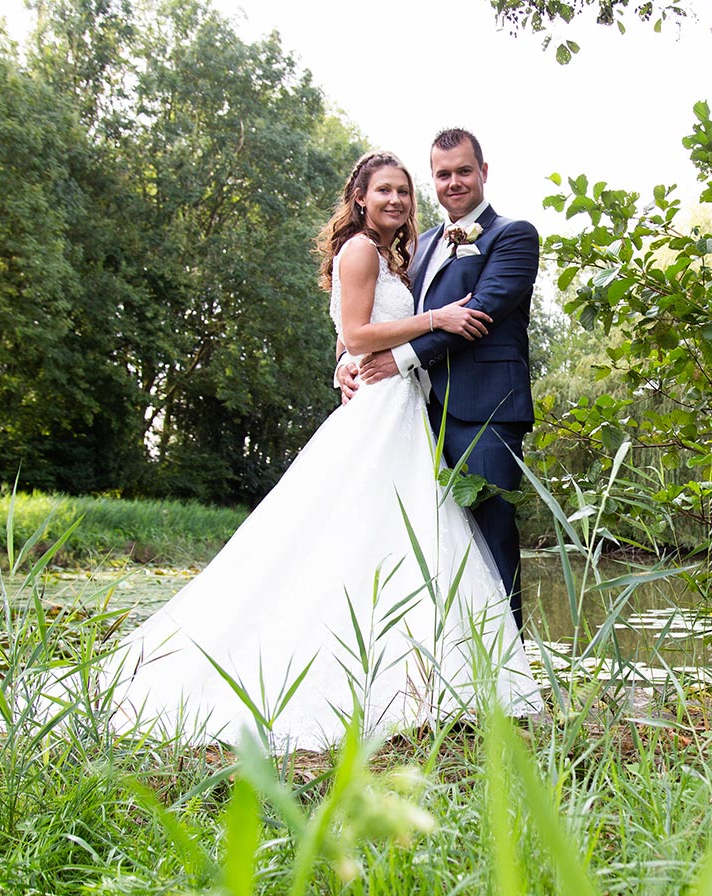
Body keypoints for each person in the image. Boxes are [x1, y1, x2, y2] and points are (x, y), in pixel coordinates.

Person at [109, 151, 540, 749]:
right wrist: (358, 354)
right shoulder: (366, 249)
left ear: (482, 172)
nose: (402, 198)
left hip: (447, 409)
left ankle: (470, 682)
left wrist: (367, 353)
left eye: (406, 190)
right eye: (388, 189)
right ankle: (414, 682)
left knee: (453, 541)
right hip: (395, 410)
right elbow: (359, 330)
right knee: (365, 535)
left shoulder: (457, 244)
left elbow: (455, 317)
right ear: (359, 197)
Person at [339, 128, 539, 628]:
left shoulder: (513, 235)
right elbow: (368, 317)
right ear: (433, 179)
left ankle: (505, 685)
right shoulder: (418, 246)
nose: (453, 182)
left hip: (486, 413)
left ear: (483, 172)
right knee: (433, 548)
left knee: (491, 541)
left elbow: (481, 313)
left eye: (463, 171)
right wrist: (345, 358)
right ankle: (446, 673)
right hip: (416, 418)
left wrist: (399, 357)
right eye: (443, 174)